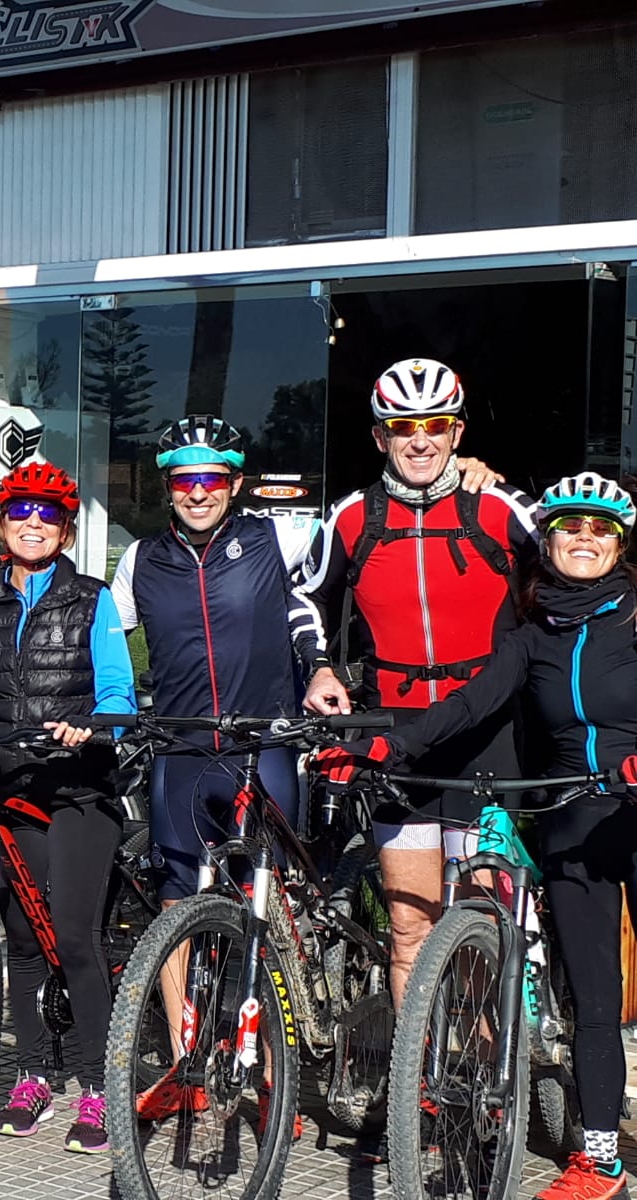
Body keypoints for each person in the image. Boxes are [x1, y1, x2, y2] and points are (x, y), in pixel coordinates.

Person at [314, 472, 637, 1200]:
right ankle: (598, 1159)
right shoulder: (529, 637)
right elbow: (467, 705)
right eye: (569, 528)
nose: (582, 539)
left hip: (635, 804)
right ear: (546, 541)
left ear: (618, 544)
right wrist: (384, 747)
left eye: (599, 530)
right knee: (593, 1000)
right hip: (569, 821)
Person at [293, 359, 535, 1012]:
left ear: (455, 432)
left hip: (485, 733)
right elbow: (304, 596)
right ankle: (418, 1095)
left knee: (485, 923)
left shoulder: (499, 507)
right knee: (409, 929)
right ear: (379, 438)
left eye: (434, 424)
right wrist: (316, 663)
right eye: (402, 426)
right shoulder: (351, 516)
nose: (419, 439)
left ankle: (490, 1093)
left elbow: (574, 572)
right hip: (395, 738)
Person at [109, 415, 317, 1136]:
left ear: (234, 483)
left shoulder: (275, 538)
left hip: (262, 745)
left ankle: (264, 1071)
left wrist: (319, 669)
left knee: (268, 903)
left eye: (211, 480)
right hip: (182, 749)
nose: (197, 493)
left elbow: (333, 576)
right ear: (167, 487)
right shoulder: (139, 559)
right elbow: (106, 646)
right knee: (175, 905)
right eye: (183, 481)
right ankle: (184, 1063)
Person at [0, 461, 135, 1154]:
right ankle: (30, 1075)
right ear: (1, 521)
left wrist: (96, 723)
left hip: (79, 787)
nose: (32, 523)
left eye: (47, 514)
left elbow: (119, 692)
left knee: (76, 937)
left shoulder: (93, 598)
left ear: (66, 528)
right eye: (20, 510)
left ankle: (95, 1087)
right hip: (14, 788)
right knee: (21, 940)